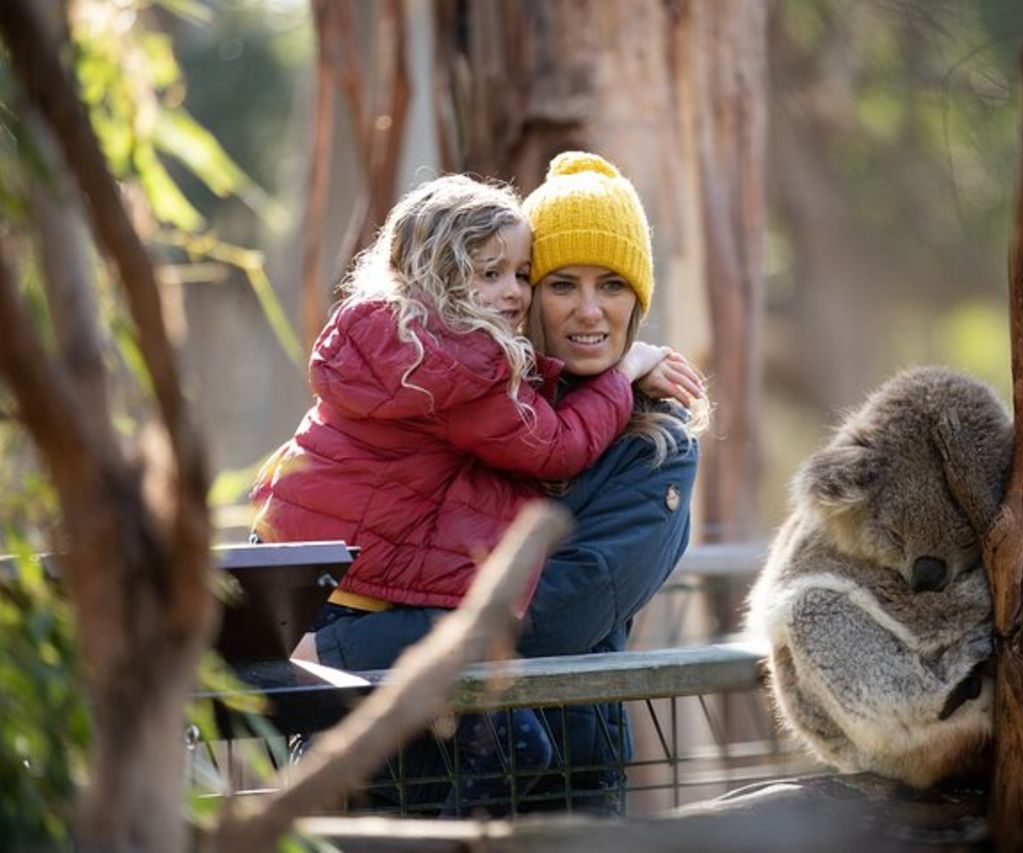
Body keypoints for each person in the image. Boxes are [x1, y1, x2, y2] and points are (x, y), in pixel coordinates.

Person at [248, 172, 676, 812]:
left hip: (321, 595)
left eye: (522, 274)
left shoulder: (388, 342)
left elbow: (567, 602)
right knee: (518, 751)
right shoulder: (464, 369)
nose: (514, 292)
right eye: (556, 283)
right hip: (358, 613)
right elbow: (556, 446)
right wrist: (625, 373)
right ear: (438, 278)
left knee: (500, 753)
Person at [510, 151, 707, 813]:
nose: (590, 311)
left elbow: (560, 613)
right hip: (406, 769)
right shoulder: (483, 411)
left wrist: (378, 644)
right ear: (528, 294)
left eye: (613, 285)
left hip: (561, 785)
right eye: (563, 284)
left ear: (638, 301)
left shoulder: (657, 446)